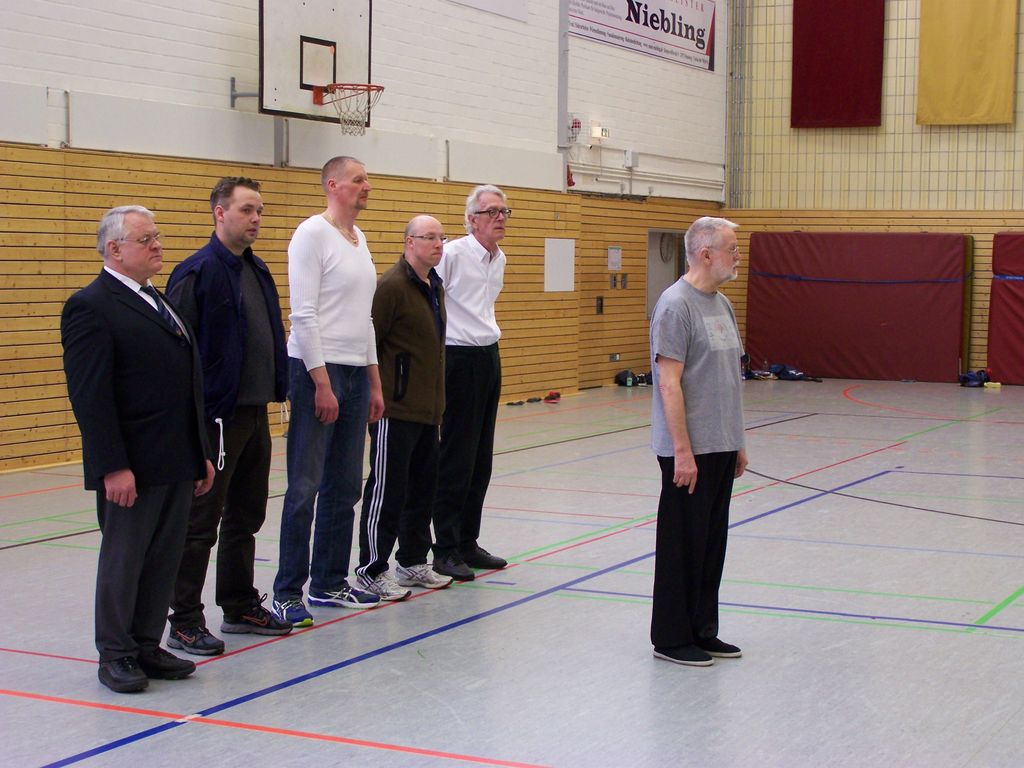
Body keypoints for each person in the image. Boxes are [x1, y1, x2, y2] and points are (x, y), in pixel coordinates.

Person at [61, 205, 215, 693]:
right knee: (124, 560)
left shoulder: (157, 299)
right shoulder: (91, 306)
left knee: (163, 558)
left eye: (157, 236)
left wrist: (199, 451)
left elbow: (185, 383)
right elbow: (90, 396)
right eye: (145, 239)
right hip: (132, 463)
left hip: (175, 457)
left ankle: (146, 644)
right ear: (114, 249)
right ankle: (116, 652)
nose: (157, 245)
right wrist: (112, 466)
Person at [163, 178, 292, 656]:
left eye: (259, 210)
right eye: (246, 210)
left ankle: (238, 604)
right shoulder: (196, 272)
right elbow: (176, 353)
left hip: (255, 414)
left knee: (247, 515)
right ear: (220, 213)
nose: (255, 219)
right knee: (201, 523)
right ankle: (183, 620)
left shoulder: (257, 269)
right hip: (216, 419)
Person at [272, 156, 385, 627]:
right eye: (359, 180)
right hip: (316, 370)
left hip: (355, 373)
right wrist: (321, 383)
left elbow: (365, 318)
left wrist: (373, 382)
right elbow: (303, 315)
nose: (367, 186)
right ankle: (286, 592)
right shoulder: (311, 234)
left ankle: (329, 582)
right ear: (333, 185)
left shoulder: (360, 240)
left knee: (345, 485)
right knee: (304, 486)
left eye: (367, 179)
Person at [648, 215, 749, 667]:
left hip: (721, 444)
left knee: (710, 543)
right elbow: (669, 383)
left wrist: (737, 439)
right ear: (706, 254)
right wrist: (682, 451)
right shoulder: (675, 306)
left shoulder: (722, 304)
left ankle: (703, 630)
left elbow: (728, 378)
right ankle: (672, 637)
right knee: (682, 545)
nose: (738, 256)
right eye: (732, 248)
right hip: (688, 449)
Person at [354, 215, 454, 601]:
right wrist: (377, 392)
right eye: (429, 237)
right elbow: (371, 342)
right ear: (409, 242)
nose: (438, 244)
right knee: (387, 490)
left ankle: (412, 561)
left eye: (441, 237)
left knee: (422, 490)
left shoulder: (434, 285)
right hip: (394, 410)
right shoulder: (392, 286)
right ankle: (371, 569)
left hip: (428, 409)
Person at [431, 185, 511, 581]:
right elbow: (429, 297)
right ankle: (444, 547)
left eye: (504, 211)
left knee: (481, 457)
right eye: (491, 211)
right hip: (457, 357)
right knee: (457, 457)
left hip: (487, 355)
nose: (500, 217)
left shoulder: (500, 258)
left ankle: (467, 540)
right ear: (471, 219)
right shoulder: (451, 254)